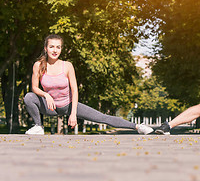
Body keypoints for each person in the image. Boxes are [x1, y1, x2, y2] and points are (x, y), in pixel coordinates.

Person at [24, 34, 153, 135]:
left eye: (58, 47)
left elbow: (74, 90)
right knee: (29, 97)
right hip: (50, 107)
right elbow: (35, 87)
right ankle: (38, 126)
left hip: (68, 105)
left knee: (102, 117)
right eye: (51, 46)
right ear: (46, 48)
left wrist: (73, 113)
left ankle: (138, 127)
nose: (55, 50)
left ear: (61, 49)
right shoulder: (38, 65)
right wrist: (46, 95)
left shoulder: (67, 66)